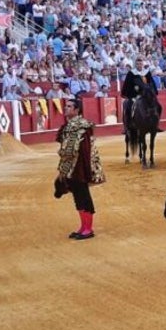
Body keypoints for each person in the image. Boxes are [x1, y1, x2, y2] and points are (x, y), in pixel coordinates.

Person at [56, 96, 104, 240]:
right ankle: (83, 227)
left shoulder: (83, 125)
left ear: (77, 110)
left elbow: (85, 149)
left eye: (70, 106)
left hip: (79, 166)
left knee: (84, 196)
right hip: (71, 166)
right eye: (66, 106)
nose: (66, 108)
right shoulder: (69, 126)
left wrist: (83, 169)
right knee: (78, 197)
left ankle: (88, 229)